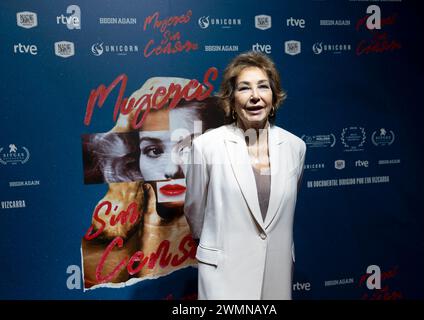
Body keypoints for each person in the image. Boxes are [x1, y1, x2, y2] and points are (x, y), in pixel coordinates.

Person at [184, 51, 307, 300]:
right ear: (232, 99)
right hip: (223, 274)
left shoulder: (295, 147)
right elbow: (195, 210)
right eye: (244, 88)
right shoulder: (207, 146)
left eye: (263, 87)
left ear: (274, 96)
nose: (255, 97)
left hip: (276, 271)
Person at [81, 77, 223, 288]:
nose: (171, 170)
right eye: (153, 151)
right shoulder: (105, 254)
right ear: (134, 159)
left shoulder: (236, 234)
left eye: (188, 149)